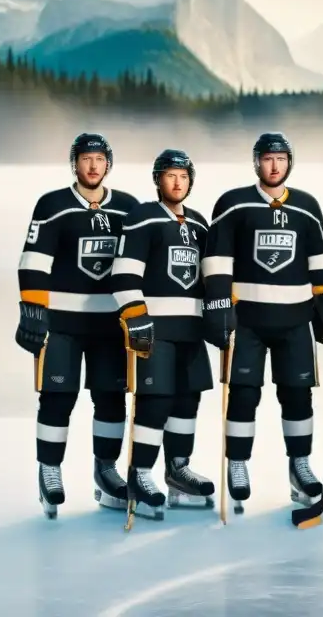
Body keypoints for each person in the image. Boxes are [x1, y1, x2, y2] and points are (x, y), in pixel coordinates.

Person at [200, 132, 323, 513]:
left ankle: (299, 465)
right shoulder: (232, 204)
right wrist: (217, 305)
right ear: (256, 163)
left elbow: (319, 261)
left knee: (297, 396)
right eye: (267, 159)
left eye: (280, 159)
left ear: (289, 163)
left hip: (295, 322)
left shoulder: (308, 207)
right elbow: (217, 261)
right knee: (244, 394)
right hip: (246, 321)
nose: (274, 166)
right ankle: (238, 463)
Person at [15, 132, 139, 519]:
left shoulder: (128, 208)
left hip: (109, 327)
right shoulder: (52, 205)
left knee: (110, 400)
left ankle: (106, 471)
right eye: (85, 158)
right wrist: (33, 309)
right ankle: (49, 470)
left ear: (108, 164)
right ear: (75, 163)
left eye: (99, 160)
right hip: (63, 327)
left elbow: (138, 267)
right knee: (57, 398)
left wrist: (141, 314)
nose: (92, 166)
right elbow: (33, 261)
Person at [110, 149, 215, 520]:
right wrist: (136, 316)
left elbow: (211, 278)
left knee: (188, 401)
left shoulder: (201, 224)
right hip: (156, 329)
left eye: (183, 176)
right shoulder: (143, 218)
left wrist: (221, 313)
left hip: (192, 328)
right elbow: (123, 275)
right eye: (170, 175)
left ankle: (178, 468)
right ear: (158, 180)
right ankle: (140, 474)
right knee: (155, 402)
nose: (176, 182)